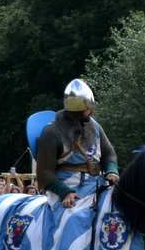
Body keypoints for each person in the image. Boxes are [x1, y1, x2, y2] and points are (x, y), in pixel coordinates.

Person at [35, 79, 119, 208]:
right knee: (74, 221)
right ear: (79, 111)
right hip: (66, 188)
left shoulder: (94, 126)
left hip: (97, 184)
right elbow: (44, 173)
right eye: (88, 108)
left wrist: (111, 171)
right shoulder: (51, 132)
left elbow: (109, 154)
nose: (91, 111)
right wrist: (65, 192)